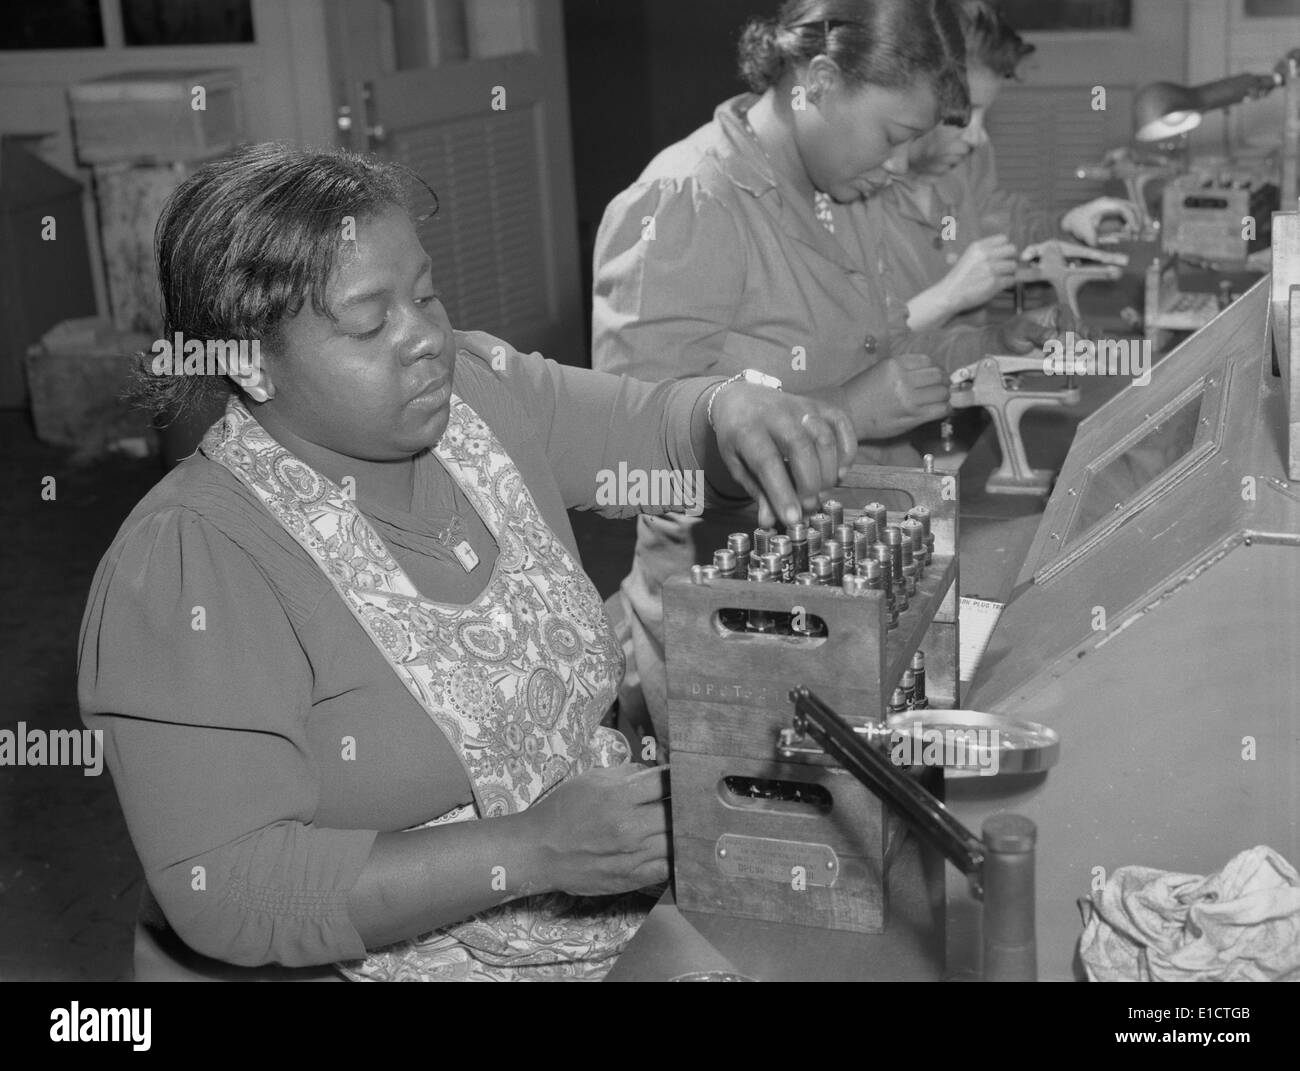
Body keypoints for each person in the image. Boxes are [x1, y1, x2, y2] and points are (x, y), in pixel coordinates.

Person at [77, 143, 855, 981]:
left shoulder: (480, 400)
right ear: (250, 365)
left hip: (613, 905)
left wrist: (726, 408)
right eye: (370, 323)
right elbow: (228, 887)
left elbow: (658, 430)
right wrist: (528, 851)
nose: (425, 340)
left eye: (426, 293)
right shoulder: (196, 562)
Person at [592, 0, 1070, 749]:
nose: (899, 166)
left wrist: (996, 346)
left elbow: (882, 348)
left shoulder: (843, 190)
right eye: (893, 137)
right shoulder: (685, 202)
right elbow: (628, 462)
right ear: (816, 81)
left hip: (850, 594)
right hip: (730, 632)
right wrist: (844, 409)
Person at [883, 0, 1140, 331]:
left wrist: (1068, 225)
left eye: (984, 114)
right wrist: (948, 297)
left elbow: (1002, 224)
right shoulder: (854, 192)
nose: (978, 135)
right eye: (965, 111)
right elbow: (860, 348)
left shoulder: (968, 159)